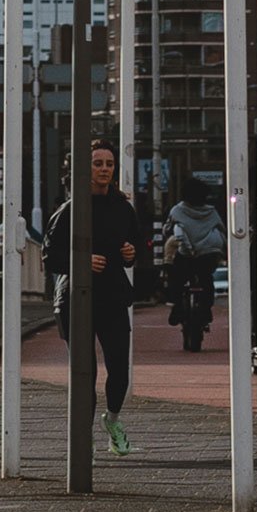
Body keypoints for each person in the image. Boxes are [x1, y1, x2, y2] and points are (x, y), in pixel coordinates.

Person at [65, 138, 151, 455]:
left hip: (113, 297)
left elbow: (135, 247)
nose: (104, 169)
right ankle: (81, 438)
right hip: (77, 299)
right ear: (85, 168)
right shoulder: (72, 209)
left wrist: (130, 253)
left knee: (119, 369)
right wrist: (81, 261)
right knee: (85, 372)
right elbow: (51, 255)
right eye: (98, 163)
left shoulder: (122, 208)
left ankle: (112, 418)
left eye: (109, 164)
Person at [162, 177, 226, 355]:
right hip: (207, 255)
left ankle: (176, 306)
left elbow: (168, 228)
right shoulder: (211, 212)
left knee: (177, 277)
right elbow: (221, 228)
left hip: (187, 254)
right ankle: (206, 310)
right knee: (206, 281)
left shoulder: (178, 210)